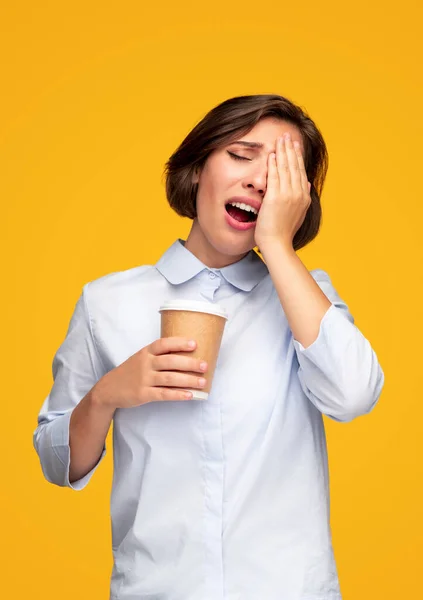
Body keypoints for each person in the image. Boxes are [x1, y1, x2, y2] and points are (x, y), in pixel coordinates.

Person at [33, 94, 385, 600]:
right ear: (198, 168)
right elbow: (53, 461)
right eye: (243, 155)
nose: (259, 180)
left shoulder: (307, 296)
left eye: (281, 172)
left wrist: (279, 247)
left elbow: (354, 396)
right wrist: (107, 394)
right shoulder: (107, 301)